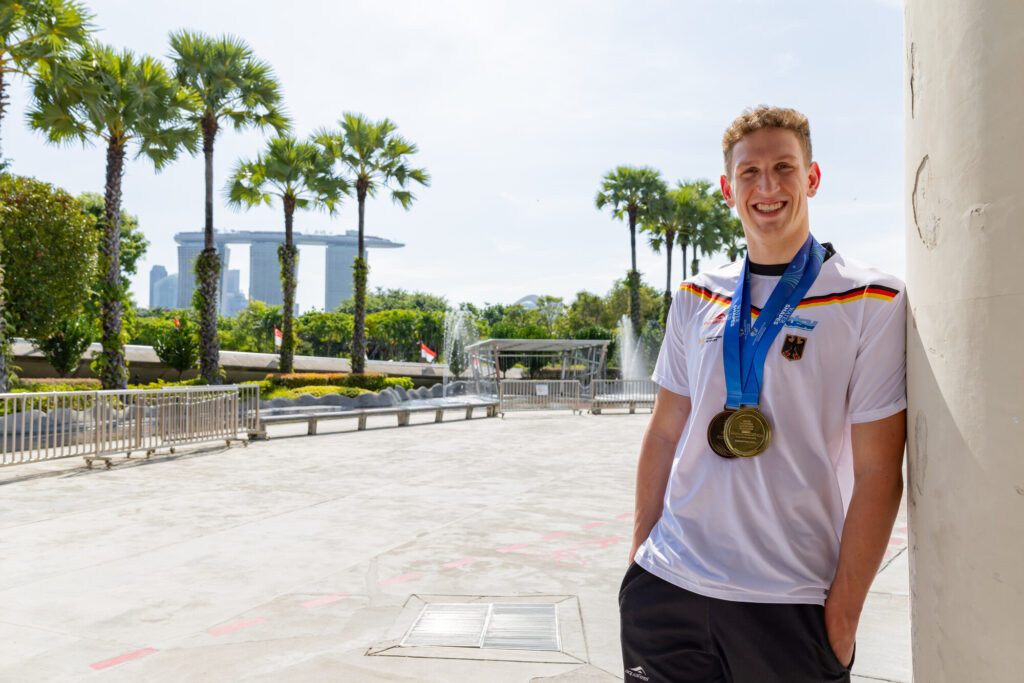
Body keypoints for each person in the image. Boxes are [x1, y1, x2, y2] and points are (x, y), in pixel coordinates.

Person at [619, 105, 906, 683]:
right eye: (749, 172)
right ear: (729, 189)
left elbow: (879, 471)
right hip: (670, 587)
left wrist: (843, 617)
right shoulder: (696, 295)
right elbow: (665, 431)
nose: (767, 186)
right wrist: (639, 561)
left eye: (784, 168)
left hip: (790, 599)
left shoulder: (872, 299)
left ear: (812, 178)